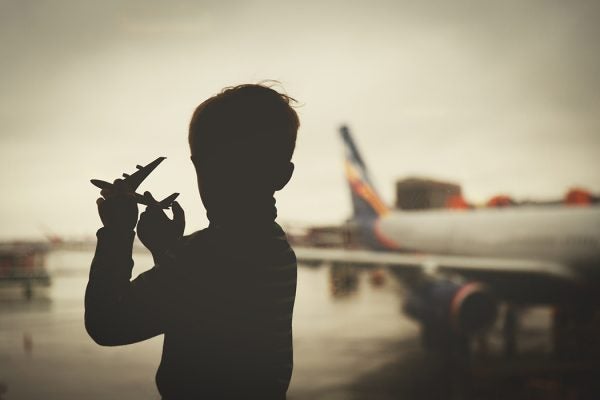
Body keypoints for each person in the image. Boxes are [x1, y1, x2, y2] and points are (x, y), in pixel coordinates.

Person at [85, 84, 299, 399]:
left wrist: (117, 233)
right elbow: (208, 316)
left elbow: (107, 323)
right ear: (283, 175)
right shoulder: (277, 248)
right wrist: (168, 252)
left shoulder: (202, 259)